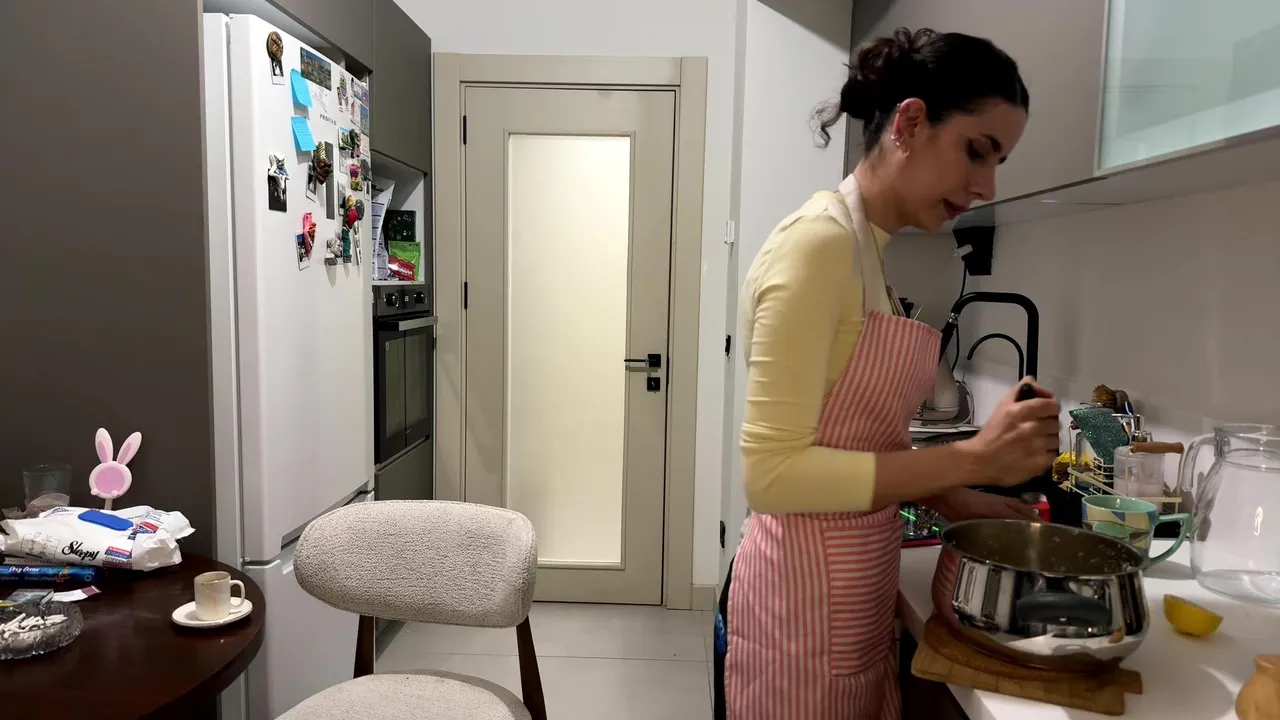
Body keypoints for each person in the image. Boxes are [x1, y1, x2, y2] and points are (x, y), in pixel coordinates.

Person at [714, 27, 1062, 719]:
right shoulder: (818, 245)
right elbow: (772, 475)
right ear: (909, 123)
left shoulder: (864, 251)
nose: (987, 185)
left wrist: (951, 498)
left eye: (999, 162)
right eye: (977, 150)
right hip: (798, 611)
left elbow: (854, 438)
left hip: (848, 598)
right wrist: (973, 457)